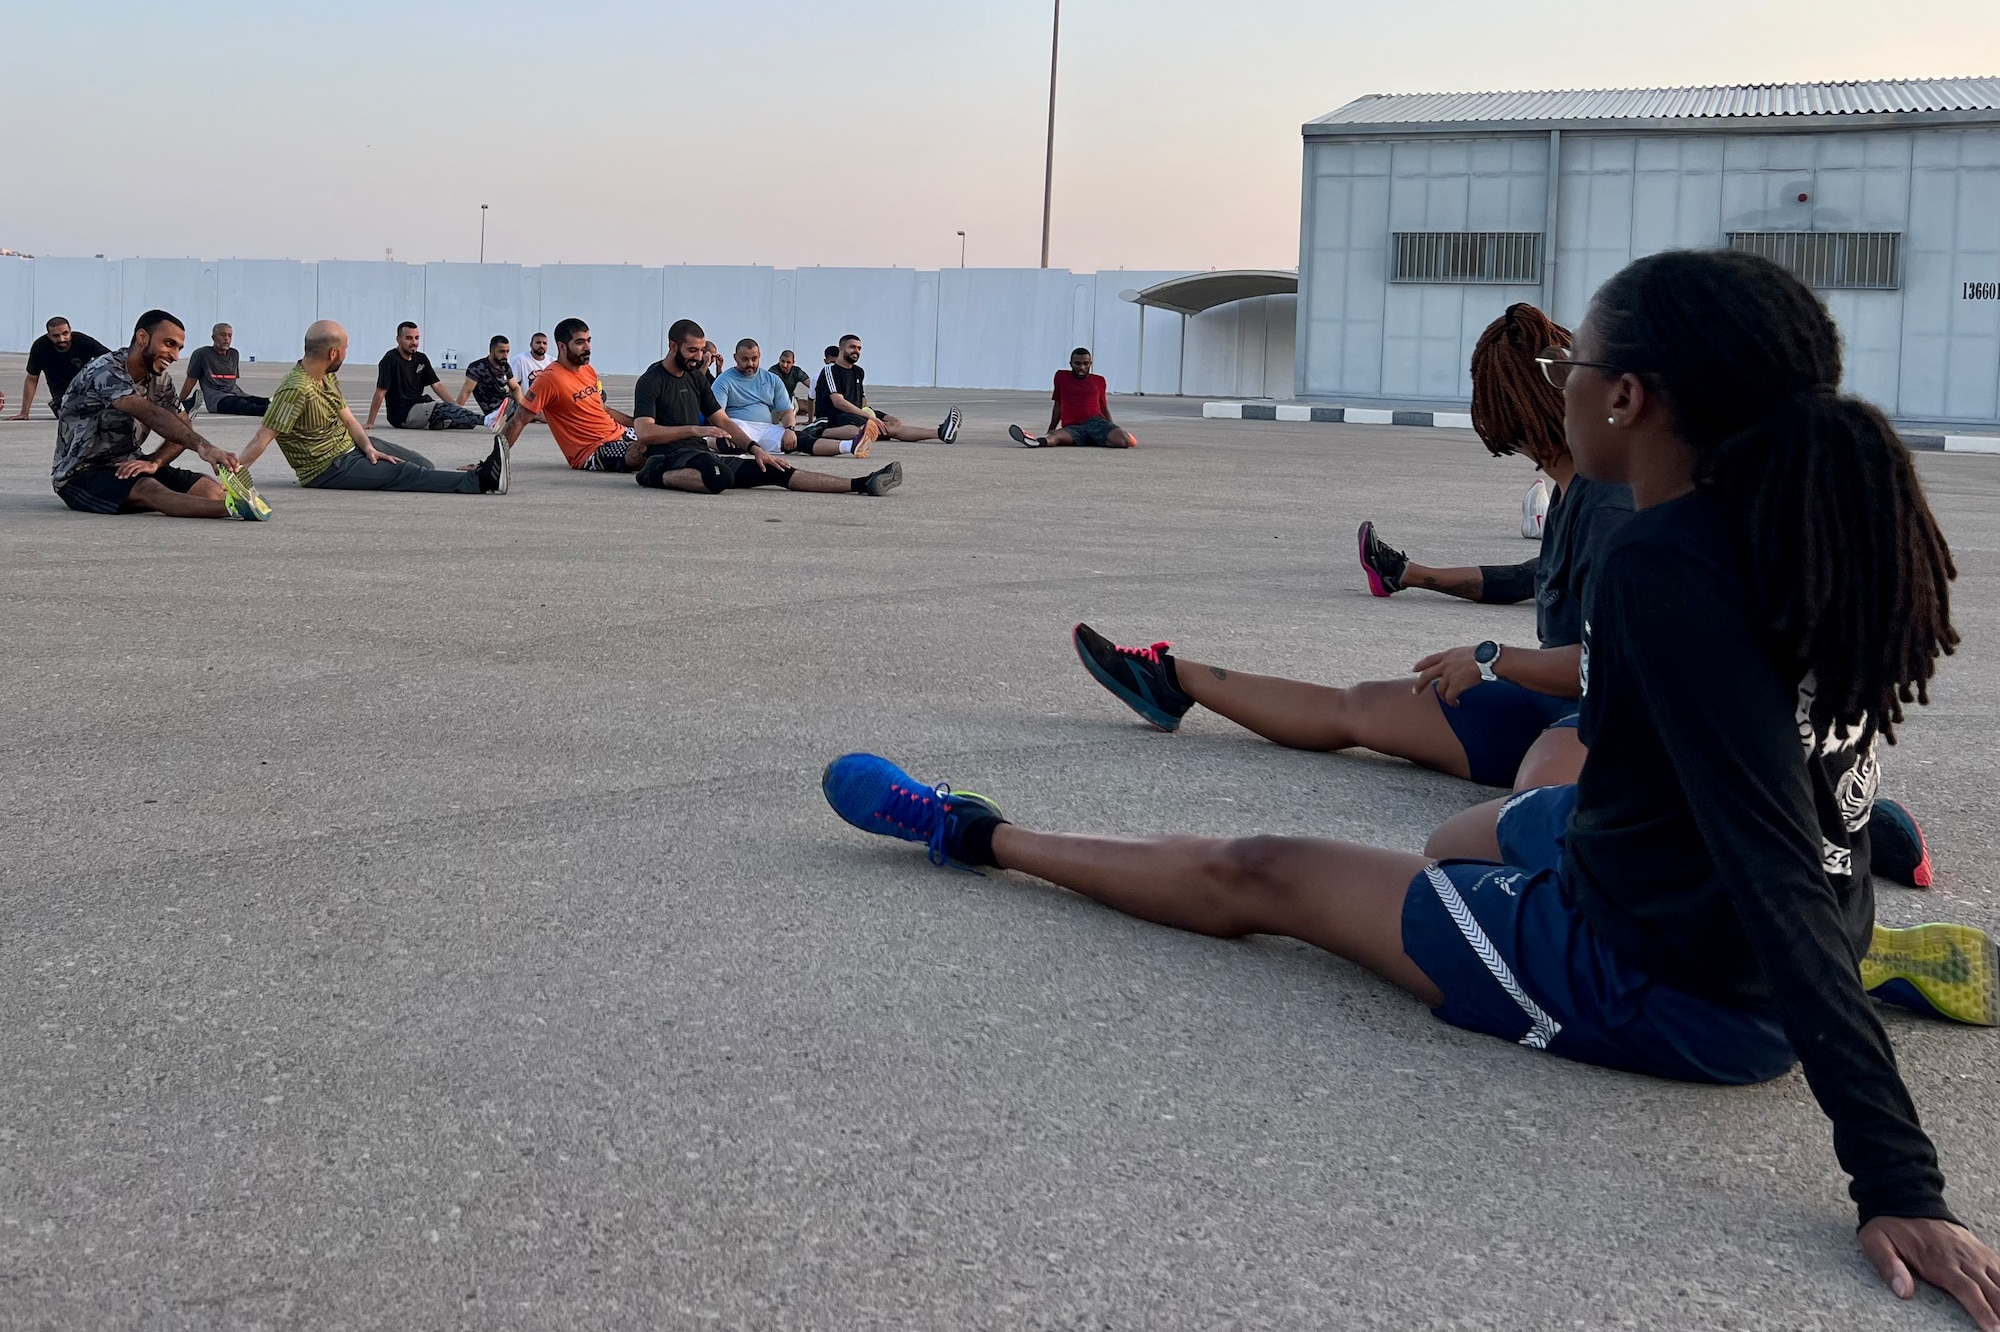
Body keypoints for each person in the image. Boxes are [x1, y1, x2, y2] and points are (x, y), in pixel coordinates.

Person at [820, 248, 2000, 1330]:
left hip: (1666, 982)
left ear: (1627, 397)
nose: (1563, 382)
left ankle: (971, 833)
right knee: (1461, 834)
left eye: (1573, 363)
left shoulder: (1663, 559)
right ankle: (1841, 967)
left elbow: (1771, 868)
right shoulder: (1807, 519)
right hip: (1687, 884)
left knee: (1269, 870)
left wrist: (1896, 1181)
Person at [1070, 304, 1632, 794]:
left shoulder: (1608, 503)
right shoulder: (1570, 496)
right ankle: (1172, 680)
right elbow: (1535, 594)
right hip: (1553, 701)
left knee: (1527, 799)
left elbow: (1619, 666)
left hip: (1603, 723)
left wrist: (1494, 659)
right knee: (1356, 706)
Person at [1357, 306, 1573, 605]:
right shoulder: (1580, 493)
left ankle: (1401, 574)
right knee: (1540, 573)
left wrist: (1498, 655)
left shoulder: (1606, 504)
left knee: (1539, 574)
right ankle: (1400, 573)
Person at [628, 319, 903, 497]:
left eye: (702, 351)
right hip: (668, 456)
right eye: (692, 351)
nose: (699, 357)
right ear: (672, 346)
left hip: (697, 453)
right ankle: (655, 476)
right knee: (718, 477)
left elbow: (723, 421)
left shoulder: (696, 379)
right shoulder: (651, 381)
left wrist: (755, 449)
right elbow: (645, 432)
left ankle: (862, 483)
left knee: (775, 469)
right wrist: (693, 428)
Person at [236, 321, 507, 495]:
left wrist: (368, 448)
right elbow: (263, 436)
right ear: (333, 353)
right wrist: (233, 473)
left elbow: (348, 418)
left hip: (350, 448)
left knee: (421, 463)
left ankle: (464, 476)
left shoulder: (326, 376)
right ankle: (481, 481)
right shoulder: (296, 388)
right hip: (328, 467)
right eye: (345, 349)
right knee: (407, 473)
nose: (346, 354)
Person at [50, 308, 264, 520]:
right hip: (81, 473)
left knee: (210, 490)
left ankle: (223, 503)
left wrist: (156, 461)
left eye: (179, 348)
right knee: (148, 488)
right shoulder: (106, 371)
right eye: (169, 344)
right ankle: (235, 509)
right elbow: (149, 413)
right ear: (142, 337)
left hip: (129, 463)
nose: (175, 356)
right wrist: (204, 447)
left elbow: (182, 427)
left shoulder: (159, 379)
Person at [712, 338, 850, 457]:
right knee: (728, 442)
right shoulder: (723, 381)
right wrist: (729, 432)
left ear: (759, 355)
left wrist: (789, 429)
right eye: (745, 359)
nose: (750, 363)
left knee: (798, 440)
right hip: (738, 425)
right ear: (735, 357)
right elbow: (718, 417)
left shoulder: (772, 380)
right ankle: (713, 442)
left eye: (754, 359)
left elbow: (785, 410)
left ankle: (849, 446)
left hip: (766, 428)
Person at [815, 334, 961, 446]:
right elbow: (839, 402)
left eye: (859, 348)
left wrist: (870, 414)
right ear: (841, 349)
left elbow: (862, 400)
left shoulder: (858, 371)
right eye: (852, 347)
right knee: (865, 429)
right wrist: (871, 419)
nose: (857, 351)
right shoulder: (831, 370)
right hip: (835, 415)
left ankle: (940, 433)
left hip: (857, 412)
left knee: (894, 423)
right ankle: (822, 433)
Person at [364, 322, 484, 431]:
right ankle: (488, 421)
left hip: (421, 405)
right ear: (398, 339)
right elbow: (380, 392)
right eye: (409, 338)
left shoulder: (421, 358)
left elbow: (437, 385)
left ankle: (434, 423)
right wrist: (370, 422)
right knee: (445, 410)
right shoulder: (390, 360)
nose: (414, 342)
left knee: (467, 422)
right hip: (403, 414)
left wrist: (455, 406)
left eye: (417, 338)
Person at [1009, 347, 1137, 448]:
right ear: (1071, 363)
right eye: (1077, 363)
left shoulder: (1099, 380)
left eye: (1085, 363)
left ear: (1090, 364)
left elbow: (1104, 408)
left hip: (1096, 423)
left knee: (1122, 441)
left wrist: (1112, 427)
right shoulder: (1061, 377)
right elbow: (1058, 405)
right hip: (1073, 427)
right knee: (1055, 437)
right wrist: (1051, 429)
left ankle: (1095, 439)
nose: (1081, 367)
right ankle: (1033, 441)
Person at [14, 317, 111, 421]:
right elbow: (32, 379)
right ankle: (58, 406)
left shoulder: (83, 342)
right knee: (76, 417)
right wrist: (24, 412)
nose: (61, 339)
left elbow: (111, 359)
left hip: (86, 388)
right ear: (49, 336)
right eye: (56, 336)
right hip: (62, 393)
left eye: (65, 333)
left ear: (70, 331)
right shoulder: (40, 347)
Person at [179, 323, 270, 417]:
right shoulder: (202, 354)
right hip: (218, 400)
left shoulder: (234, 354)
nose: (226, 338)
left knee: (259, 400)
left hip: (237, 394)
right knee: (243, 405)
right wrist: (181, 401)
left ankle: (275, 405)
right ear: (213, 337)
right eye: (223, 334)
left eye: (229, 336)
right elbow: (191, 379)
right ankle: (269, 412)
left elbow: (232, 382)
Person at [457, 335, 518, 427]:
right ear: (491, 350)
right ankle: (493, 419)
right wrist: (456, 411)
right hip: (494, 410)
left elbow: (516, 387)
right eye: (501, 351)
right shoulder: (477, 367)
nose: (505, 355)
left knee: (535, 411)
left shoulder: (505, 367)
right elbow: (467, 391)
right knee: (537, 414)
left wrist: (522, 405)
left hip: (507, 405)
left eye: (507, 351)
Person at [774, 349, 813, 418]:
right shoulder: (773, 372)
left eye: (788, 362)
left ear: (793, 362)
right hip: (776, 400)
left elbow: (812, 385)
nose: (785, 365)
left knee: (807, 405)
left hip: (791, 398)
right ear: (779, 359)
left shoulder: (796, 371)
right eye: (782, 361)